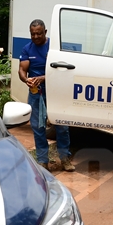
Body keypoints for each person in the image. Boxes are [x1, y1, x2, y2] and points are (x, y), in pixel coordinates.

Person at [17, 19, 74, 172]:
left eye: (39, 34)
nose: (36, 37)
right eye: (33, 34)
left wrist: (43, 78)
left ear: (45, 32)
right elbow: (22, 70)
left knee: (62, 126)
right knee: (38, 127)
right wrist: (26, 79)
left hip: (56, 92)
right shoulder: (27, 49)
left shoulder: (53, 48)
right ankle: (42, 161)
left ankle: (65, 158)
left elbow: (62, 70)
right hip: (36, 93)